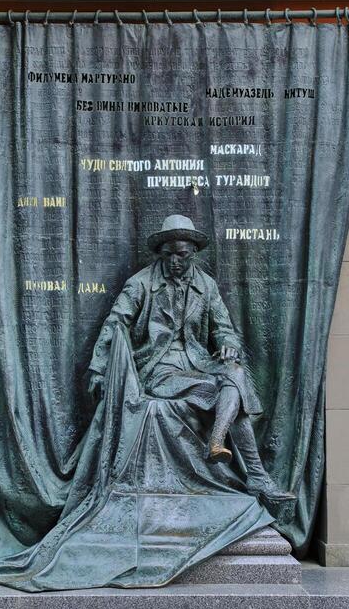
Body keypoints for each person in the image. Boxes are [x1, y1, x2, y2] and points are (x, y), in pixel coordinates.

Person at [88, 214, 295, 505]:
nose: (175, 261)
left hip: (198, 363)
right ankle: (255, 474)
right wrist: (98, 370)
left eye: (182, 255)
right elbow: (114, 324)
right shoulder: (140, 284)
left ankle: (218, 440)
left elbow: (223, 329)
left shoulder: (206, 285)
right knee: (230, 396)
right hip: (158, 367)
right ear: (160, 253)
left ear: (193, 252)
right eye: (169, 254)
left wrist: (228, 346)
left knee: (235, 372)